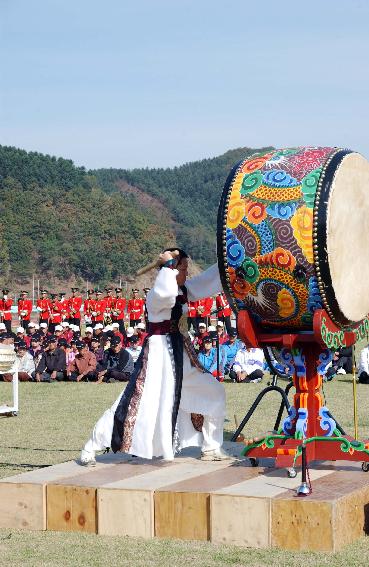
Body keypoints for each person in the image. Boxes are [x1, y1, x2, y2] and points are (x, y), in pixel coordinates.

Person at [80, 248, 229, 466]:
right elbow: (166, 295)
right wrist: (168, 265)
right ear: (170, 270)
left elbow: (207, 281)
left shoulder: (181, 290)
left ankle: (211, 446)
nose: (187, 274)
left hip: (181, 353)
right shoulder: (156, 295)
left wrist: (228, 264)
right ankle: (91, 446)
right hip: (159, 354)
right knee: (134, 401)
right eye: (183, 269)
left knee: (214, 391)